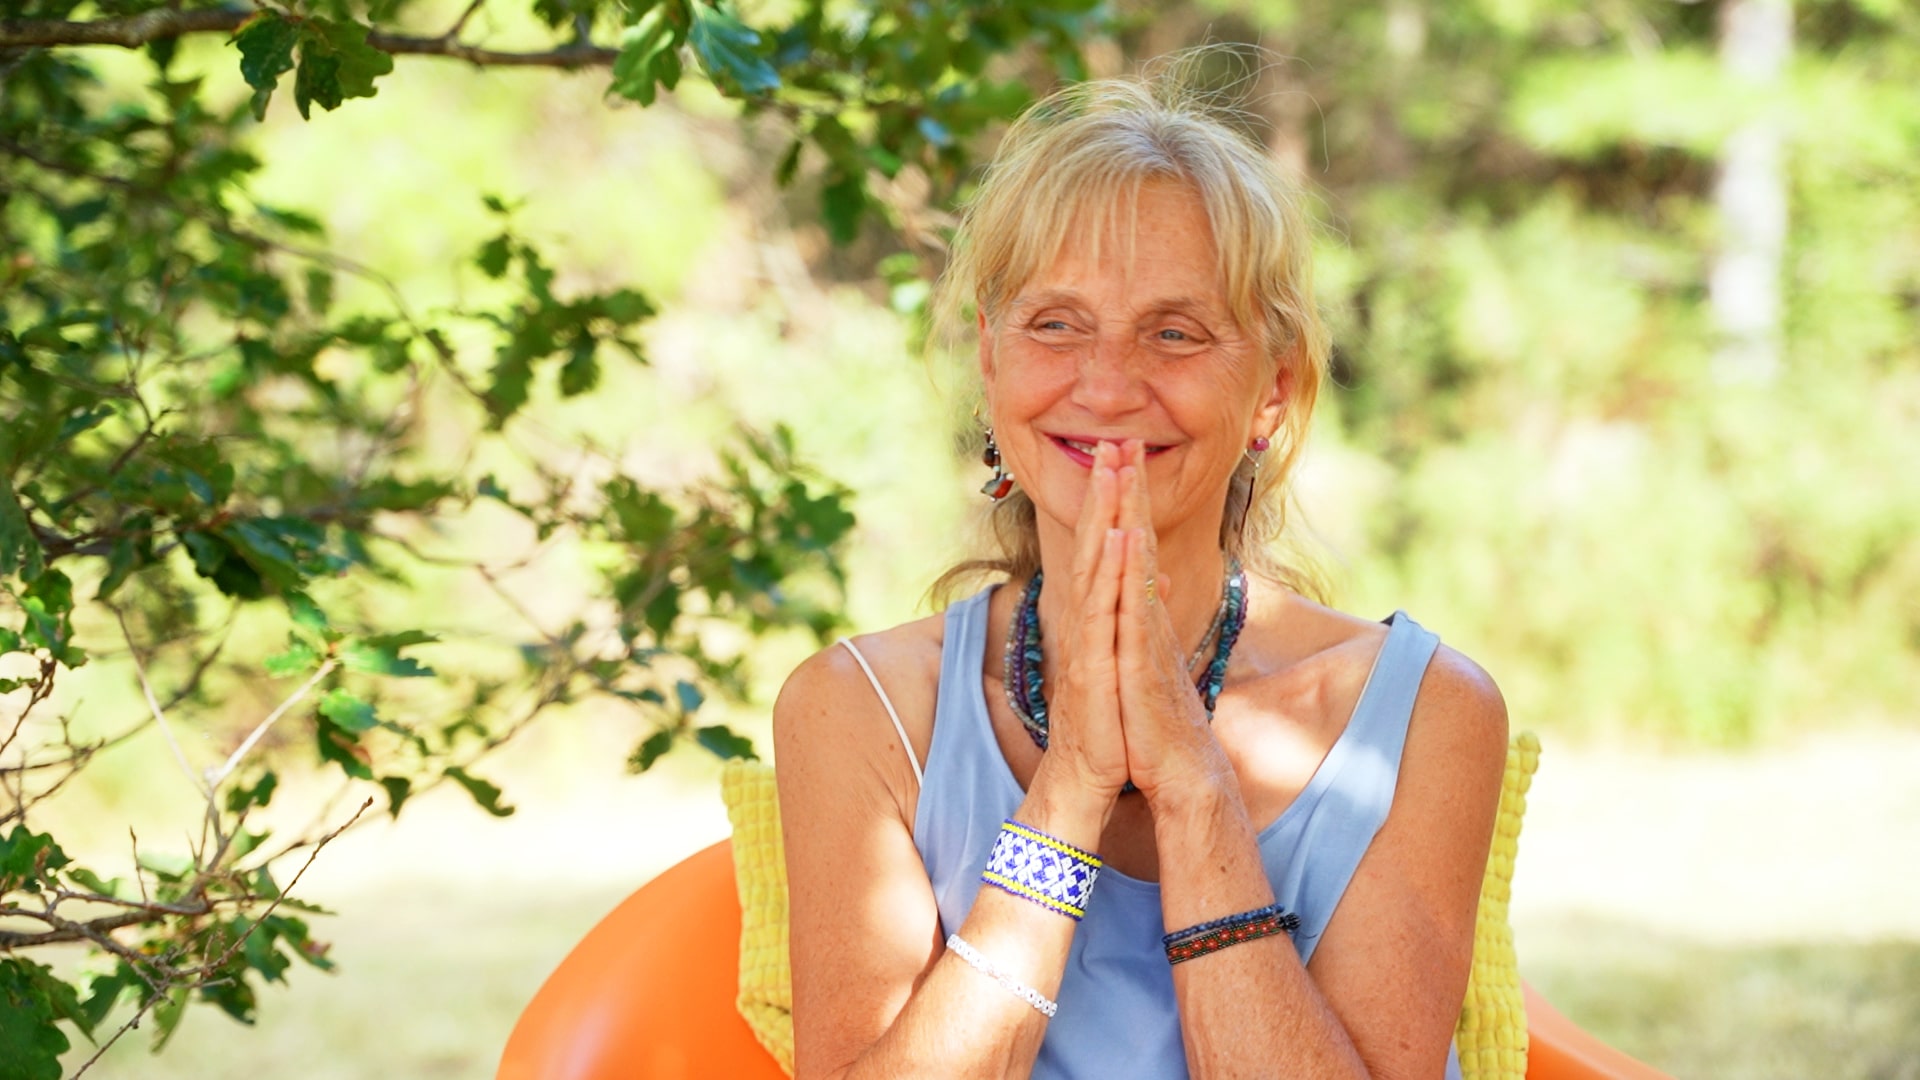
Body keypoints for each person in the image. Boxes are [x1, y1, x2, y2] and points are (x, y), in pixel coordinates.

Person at [772, 69, 1508, 1080]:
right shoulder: (854, 710)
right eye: (1056, 324)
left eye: (1174, 333)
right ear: (990, 363)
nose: (1109, 384)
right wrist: (1069, 789)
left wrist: (1192, 787)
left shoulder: (1425, 712)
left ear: (1273, 391)